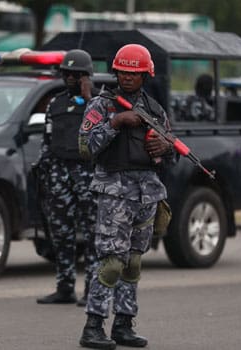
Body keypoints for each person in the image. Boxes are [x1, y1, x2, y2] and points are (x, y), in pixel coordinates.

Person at [77, 44, 176, 349]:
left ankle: (123, 324)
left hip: (145, 193)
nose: (128, 77)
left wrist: (165, 147)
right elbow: (85, 148)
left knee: (133, 262)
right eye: (123, 71)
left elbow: (170, 147)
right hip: (114, 193)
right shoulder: (101, 106)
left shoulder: (154, 108)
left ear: (146, 74)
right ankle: (93, 326)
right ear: (116, 71)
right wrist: (116, 123)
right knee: (111, 263)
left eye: (135, 72)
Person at [35, 49, 99, 307]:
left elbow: (104, 132)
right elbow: (47, 140)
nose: (70, 77)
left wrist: (88, 96)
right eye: (66, 73)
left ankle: (93, 290)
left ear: (86, 76)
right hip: (59, 175)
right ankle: (65, 287)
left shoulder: (99, 102)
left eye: (76, 74)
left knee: (93, 234)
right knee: (61, 234)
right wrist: (45, 170)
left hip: (87, 175)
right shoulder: (56, 103)